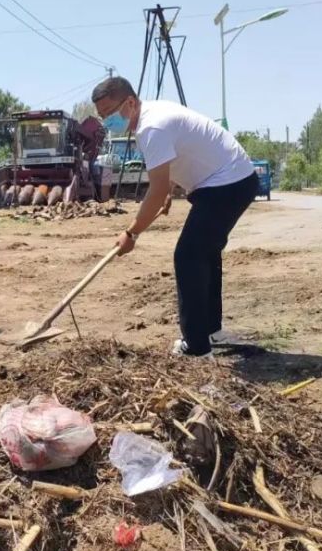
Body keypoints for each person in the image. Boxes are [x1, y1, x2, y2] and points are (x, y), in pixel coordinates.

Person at [92, 77, 258, 359]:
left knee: (188, 256)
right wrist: (169, 190)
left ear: (130, 103)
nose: (106, 121)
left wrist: (131, 233)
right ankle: (211, 330)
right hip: (233, 181)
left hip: (226, 184)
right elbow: (168, 168)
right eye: (102, 116)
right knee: (205, 253)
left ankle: (195, 346)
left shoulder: (151, 127)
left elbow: (154, 190)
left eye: (109, 114)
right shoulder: (151, 117)